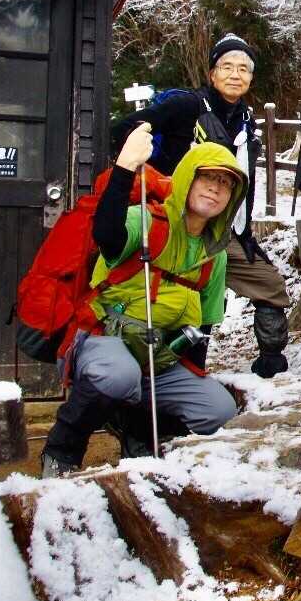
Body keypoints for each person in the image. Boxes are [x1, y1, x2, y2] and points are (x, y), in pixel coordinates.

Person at [39, 129, 244, 476]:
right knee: (120, 376)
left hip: (156, 360)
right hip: (102, 343)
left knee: (218, 410)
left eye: (225, 184)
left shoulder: (215, 254)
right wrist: (124, 167)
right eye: (207, 178)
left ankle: (138, 430)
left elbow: (204, 326)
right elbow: (107, 235)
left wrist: (193, 376)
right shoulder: (149, 221)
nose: (215, 188)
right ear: (186, 179)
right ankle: (62, 451)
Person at [112, 34, 291, 380]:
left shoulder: (244, 119)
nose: (235, 75)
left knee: (269, 283)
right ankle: (182, 370)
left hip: (224, 228)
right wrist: (149, 176)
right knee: (191, 293)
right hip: (175, 225)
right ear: (212, 73)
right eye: (227, 67)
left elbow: (243, 180)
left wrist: (245, 234)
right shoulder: (186, 106)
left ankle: (271, 367)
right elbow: (123, 130)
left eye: (244, 69)